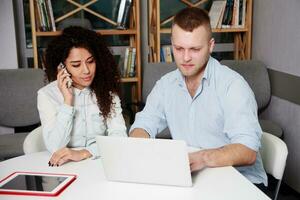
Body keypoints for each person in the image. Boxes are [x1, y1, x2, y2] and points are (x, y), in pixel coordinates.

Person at [129, 7, 267, 186]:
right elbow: (143, 124)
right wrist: (140, 145)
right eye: (179, 49)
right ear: (172, 44)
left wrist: (201, 158)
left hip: (239, 182)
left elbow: (247, 151)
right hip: (192, 178)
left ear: (210, 46)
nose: (185, 58)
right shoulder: (165, 84)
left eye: (194, 49)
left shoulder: (233, 85)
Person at [38, 26, 127, 167]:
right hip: (64, 166)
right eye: (76, 65)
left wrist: (85, 153)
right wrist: (68, 101)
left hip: (100, 160)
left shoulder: (107, 90)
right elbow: (55, 147)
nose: (86, 71)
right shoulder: (47, 95)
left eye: (90, 61)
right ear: (62, 67)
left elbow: (119, 137)